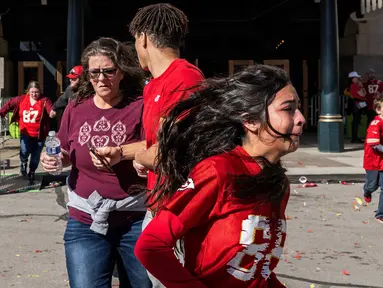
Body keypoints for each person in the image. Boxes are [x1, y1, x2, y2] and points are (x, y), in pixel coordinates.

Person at [134, 64, 306, 287]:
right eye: (288, 109)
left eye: (298, 108)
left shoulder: (278, 183)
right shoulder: (218, 171)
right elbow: (150, 246)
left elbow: (257, 268)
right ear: (250, 121)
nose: (301, 118)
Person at [95, 4, 204, 286]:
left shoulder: (184, 78)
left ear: (143, 38)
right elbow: (156, 143)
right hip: (158, 204)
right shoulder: (153, 84)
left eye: (135, 42)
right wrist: (120, 152)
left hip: (179, 209)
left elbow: (173, 153)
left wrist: (142, 159)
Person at [40, 38, 151, 288]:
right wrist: (54, 158)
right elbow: (65, 149)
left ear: (121, 71)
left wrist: (126, 155)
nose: (101, 79)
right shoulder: (76, 107)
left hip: (134, 219)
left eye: (108, 71)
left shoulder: (140, 106)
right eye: (94, 72)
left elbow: (155, 148)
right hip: (85, 220)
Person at [0, 81, 52, 183]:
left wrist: (52, 112)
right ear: (28, 91)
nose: (34, 94)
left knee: (35, 156)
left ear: (40, 91)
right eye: (32, 92)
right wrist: (2, 112)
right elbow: (10, 103)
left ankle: (32, 171)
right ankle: (23, 165)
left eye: (36, 92)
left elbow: (50, 109)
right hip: (25, 133)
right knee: (24, 151)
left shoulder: (44, 100)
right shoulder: (22, 99)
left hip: (39, 134)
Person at [362, 94, 383, 223]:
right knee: (372, 186)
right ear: (378, 110)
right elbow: (374, 144)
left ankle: (380, 214)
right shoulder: (376, 123)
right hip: (373, 162)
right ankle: (367, 190)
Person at [348, 71, 367, 143]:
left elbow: (364, 94)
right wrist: (361, 86)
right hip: (356, 104)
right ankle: (354, 138)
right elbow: (362, 94)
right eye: (356, 78)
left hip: (359, 104)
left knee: (357, 120)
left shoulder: (356, 85)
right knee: (355, 121)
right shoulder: (353, 86)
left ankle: (355, 137)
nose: (358, 79)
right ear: (353, 78)